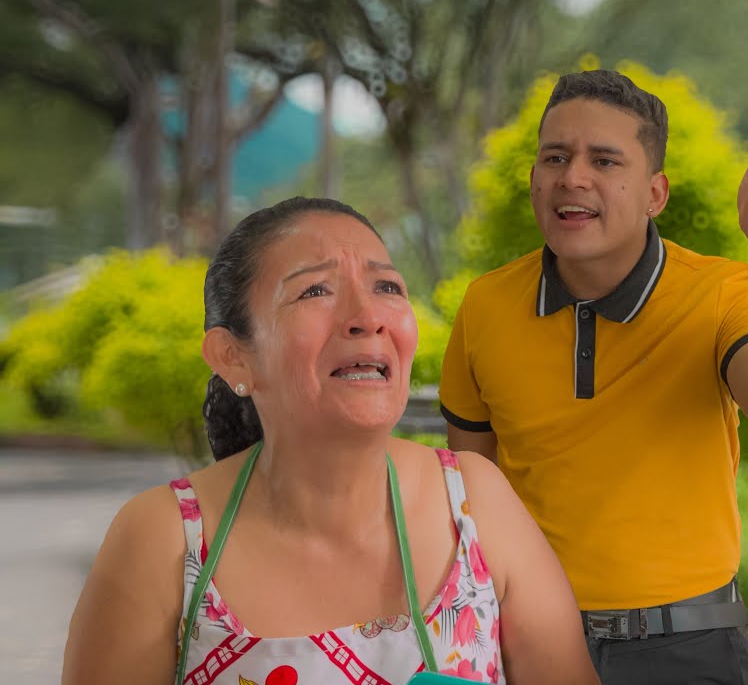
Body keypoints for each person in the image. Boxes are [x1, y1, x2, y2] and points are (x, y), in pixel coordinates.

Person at [62, 197, 599, 685]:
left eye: (387, 287)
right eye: (315, 291)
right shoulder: (164, 539)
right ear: (233, 356)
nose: (367, 318)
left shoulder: (475, 502)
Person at [438, 59, 748, 684]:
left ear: (656, 193)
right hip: (531, 642)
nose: (573, 177)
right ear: (534, 178)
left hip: (690, 646)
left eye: (605, 160)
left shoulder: (721, 293)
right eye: (555, 157)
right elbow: (471, 495)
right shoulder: (485, 304)